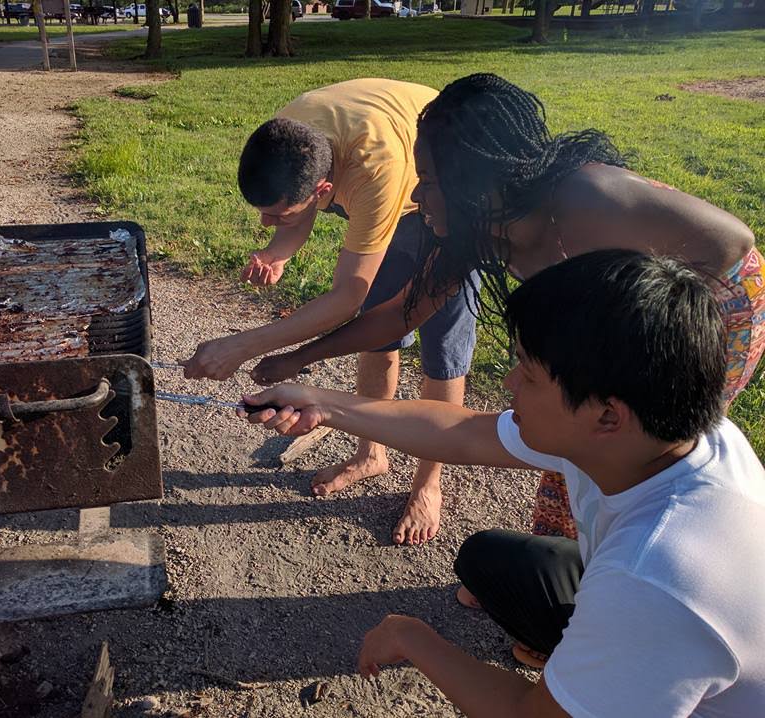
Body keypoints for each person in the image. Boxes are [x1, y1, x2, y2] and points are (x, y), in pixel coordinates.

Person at [252, 72, 764, 552]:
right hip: (622, 329)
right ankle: (558, 568)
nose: (414, 193)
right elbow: (397, 318)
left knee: (615, 450)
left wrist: (626, 319)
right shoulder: (481, 232)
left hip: (713, 317)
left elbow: (730, 243)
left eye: (427, 178)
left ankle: (592, 580)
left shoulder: (588, 199)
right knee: (572, 442)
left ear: (474, 185)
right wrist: (300, 359)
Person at [240, 250, 765, 716]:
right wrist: (325, 405)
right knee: (491, 562)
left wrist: (413, 637)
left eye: (528, 377)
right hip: (663, 611)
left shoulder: (654, 580)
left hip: (667, 620)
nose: (509, 384)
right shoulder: (664, 427)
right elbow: (462, 433)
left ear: (608, 416)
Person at [181, 79, 480, 545]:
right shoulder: (291, 134)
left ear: (324, 188)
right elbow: (299, 213)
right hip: (384, 189)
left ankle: (428, 482)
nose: (265, 223)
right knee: (379, 339)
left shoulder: (373, 172)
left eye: (275, 215)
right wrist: (279, 250)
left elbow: (347, 298)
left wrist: (243, 345)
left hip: (446, 190)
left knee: (443, 348)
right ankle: (371, 454)